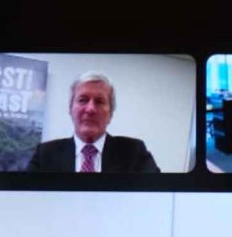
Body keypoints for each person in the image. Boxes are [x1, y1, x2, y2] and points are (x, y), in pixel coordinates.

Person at [27, 73, 162, 173]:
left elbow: (158, 194)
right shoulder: (44, 155)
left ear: (110, 114)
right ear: (70, 109)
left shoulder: (135, 153)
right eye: (83, 100)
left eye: (99, 101)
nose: (90, 109)